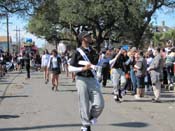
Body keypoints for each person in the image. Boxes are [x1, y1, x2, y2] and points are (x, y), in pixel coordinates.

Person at [68, 31, 104, 131]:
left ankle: (90, 118)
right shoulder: (77, 52)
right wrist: (82, 69)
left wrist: (102, 59)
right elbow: (70, 68)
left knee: (100, 104)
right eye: (88, 36)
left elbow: (96, 65)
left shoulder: (93, 51)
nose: (90, 37)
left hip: (92, 79)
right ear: (83, 39)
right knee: (84, 103)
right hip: (81, 79)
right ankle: (86, 126)